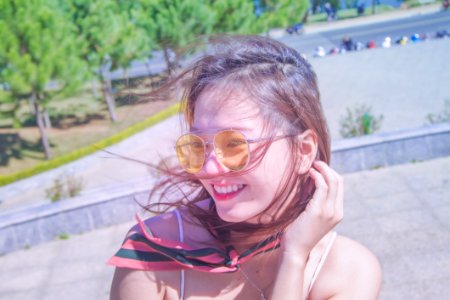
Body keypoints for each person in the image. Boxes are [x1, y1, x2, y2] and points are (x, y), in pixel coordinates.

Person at [109, 35, 382, 300]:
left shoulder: (350, 271)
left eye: (235, 144)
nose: (209, 169)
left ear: (303, 150)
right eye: (197, 146)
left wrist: (294, 257)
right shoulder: (156, 249)